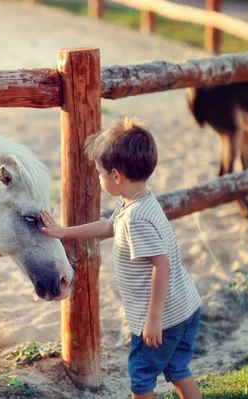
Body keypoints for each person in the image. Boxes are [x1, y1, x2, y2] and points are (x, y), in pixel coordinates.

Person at [40, 117, 203, 399]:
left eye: (100, 173)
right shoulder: (139, 200)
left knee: (141, 380)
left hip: (163, 319)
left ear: (116, 175)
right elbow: (107, 226)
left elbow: (161, 265)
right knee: (178, 370)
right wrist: (62, 231)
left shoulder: (135, 219)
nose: (99, 178)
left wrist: (153, 320)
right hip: (186, 307)